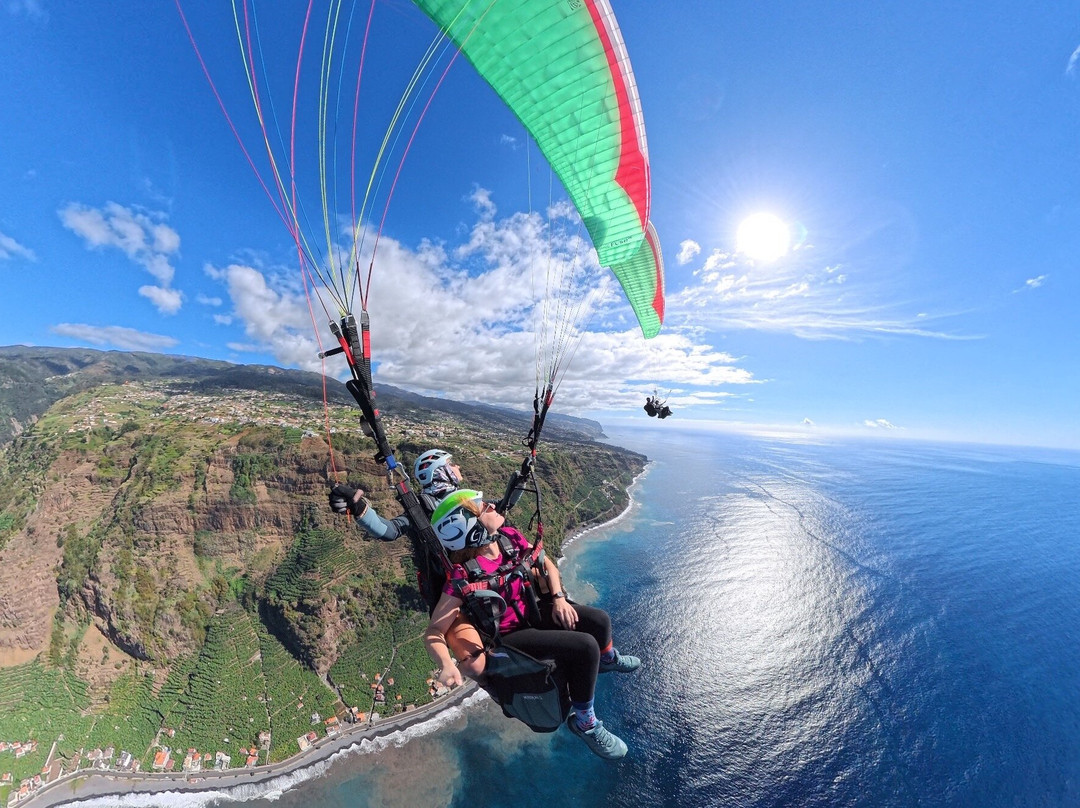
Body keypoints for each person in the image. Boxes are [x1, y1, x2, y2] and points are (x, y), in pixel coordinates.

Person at [424, 489, 641, 760]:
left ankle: (608, 660)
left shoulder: (509, 538)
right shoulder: (463, 574)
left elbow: (544, 561)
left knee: (599, 621)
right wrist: (446, 664)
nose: (492, 506)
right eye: (483, 507)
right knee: (585, 647)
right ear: (471, 527)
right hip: (511, 635)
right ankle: (585, 723)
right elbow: (434, 630)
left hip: (534, 610)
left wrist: (560, 598)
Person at [328, 449, 487, 677]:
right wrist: (358, 507)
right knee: (476, 661)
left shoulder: (468, 500)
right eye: (453, 464)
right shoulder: (421, 510)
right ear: (440, 472)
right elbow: (389, 530)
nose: (459, 468)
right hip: (451, 595)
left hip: (483, 580)